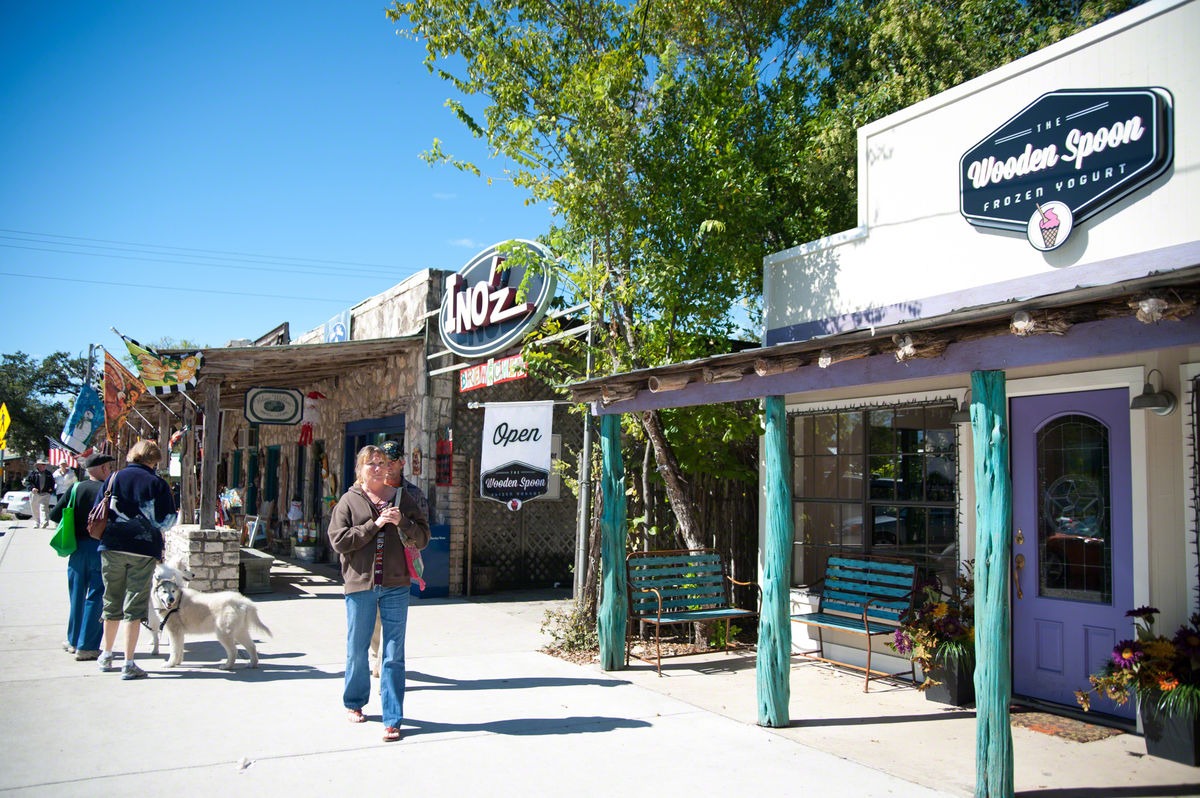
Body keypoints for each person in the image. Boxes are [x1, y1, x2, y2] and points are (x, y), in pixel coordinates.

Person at [328, 444, 430, 742]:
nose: (377, 468)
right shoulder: (349, 501)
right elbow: (339, 541)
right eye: (370, 463)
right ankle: (355, 702)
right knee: (357, 650)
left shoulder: (403, 499)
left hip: (396, 586)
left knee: (393, 653)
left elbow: (422, 537)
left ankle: (393, 718)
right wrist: (375, 525)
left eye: (381, 463)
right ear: (360, 469)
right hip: (360, 585)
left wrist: (403, 522)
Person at [96, 440, 177, 680]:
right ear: (153, 461)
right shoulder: (157, 484)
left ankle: (107, 655)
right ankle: (129, 662)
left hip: (112, 546)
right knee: (134, 605)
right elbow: (167, 521)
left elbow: (98, 507)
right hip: (143, 549)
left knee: (111, 601)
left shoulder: (114, 478)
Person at [48, 452, 116, 660]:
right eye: (108, 468)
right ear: (103, 469)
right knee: (96, 596)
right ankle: (87, 645)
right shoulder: (108, 492)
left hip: (77, 549)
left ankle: (73, 639)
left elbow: (54, 515)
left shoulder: (76, 488)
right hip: (100, 548)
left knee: (77, 595)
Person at [24, 459, 55, 528]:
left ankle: (44, 521)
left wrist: (50, 490)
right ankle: (36, 522)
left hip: (45, 494)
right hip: (35, 494)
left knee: (44, 508)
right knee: (35, 508)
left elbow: (52, 483)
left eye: (44, 465)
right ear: (38, 465)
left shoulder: (48, 474)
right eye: (42, 464)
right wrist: (32, 488)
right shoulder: (33, 473)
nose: (43, 466)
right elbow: (27, 482)